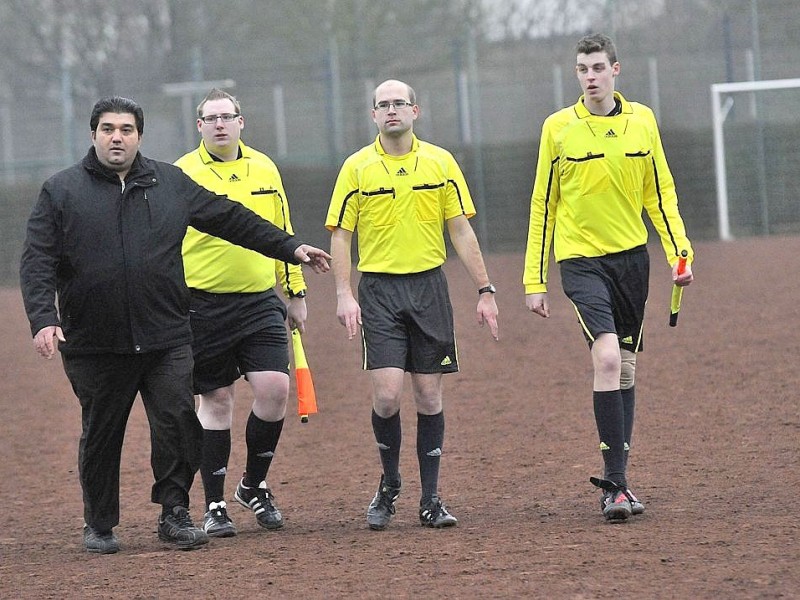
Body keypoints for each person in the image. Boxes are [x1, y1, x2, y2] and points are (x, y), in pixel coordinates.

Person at [19, 96, 330, 554]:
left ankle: (174, 513)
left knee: (177, 424)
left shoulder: (170, 183)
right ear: (93, 136)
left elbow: (232, 219)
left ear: (139, 136)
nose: (117, 137)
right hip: (96, 344)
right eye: (108, 129)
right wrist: (44, 318)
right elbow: (38, 259)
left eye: (126, 129)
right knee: (102, 434)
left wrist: (291, 248)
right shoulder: (62, 191)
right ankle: (100, 523)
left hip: (165, 335)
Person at [523, 34, 694, 521]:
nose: (590, 76)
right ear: (576, 75)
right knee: (606, 356)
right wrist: (534, 280)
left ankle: (621, 478)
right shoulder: (557, 129)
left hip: (631, 261)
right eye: (583, 69)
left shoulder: (643, 121)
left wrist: (680, 253)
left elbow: (660, 194)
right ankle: (613, 486)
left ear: (616, 70)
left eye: (598, 67)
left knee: (626, 367)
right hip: (580, 262)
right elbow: (543, 205)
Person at [326, 79, 499, 531]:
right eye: (382, 105)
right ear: (373, 115)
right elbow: (341, 235)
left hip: (429, 290)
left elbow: (460, 229)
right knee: (386, 395)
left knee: (427, 394)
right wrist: (344, 294)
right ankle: (389, 483)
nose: (391, 111)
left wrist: (485, 290)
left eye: (398, 103)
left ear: (415, 110)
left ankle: (431, 498)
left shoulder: (440, 163)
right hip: (379, 291)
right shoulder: (357, 167)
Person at [175, 88, 308, 537]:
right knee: (216, 401)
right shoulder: (182, 173)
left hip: (259, 300)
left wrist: (296, 291)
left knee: (274, 389)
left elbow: (282, 231)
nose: (219, 124)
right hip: (202, 304)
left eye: (226, 116)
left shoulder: (265, 167)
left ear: (241, 121)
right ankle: (213, 503)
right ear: (199, 126)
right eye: (210, 118)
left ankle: (253, 484)